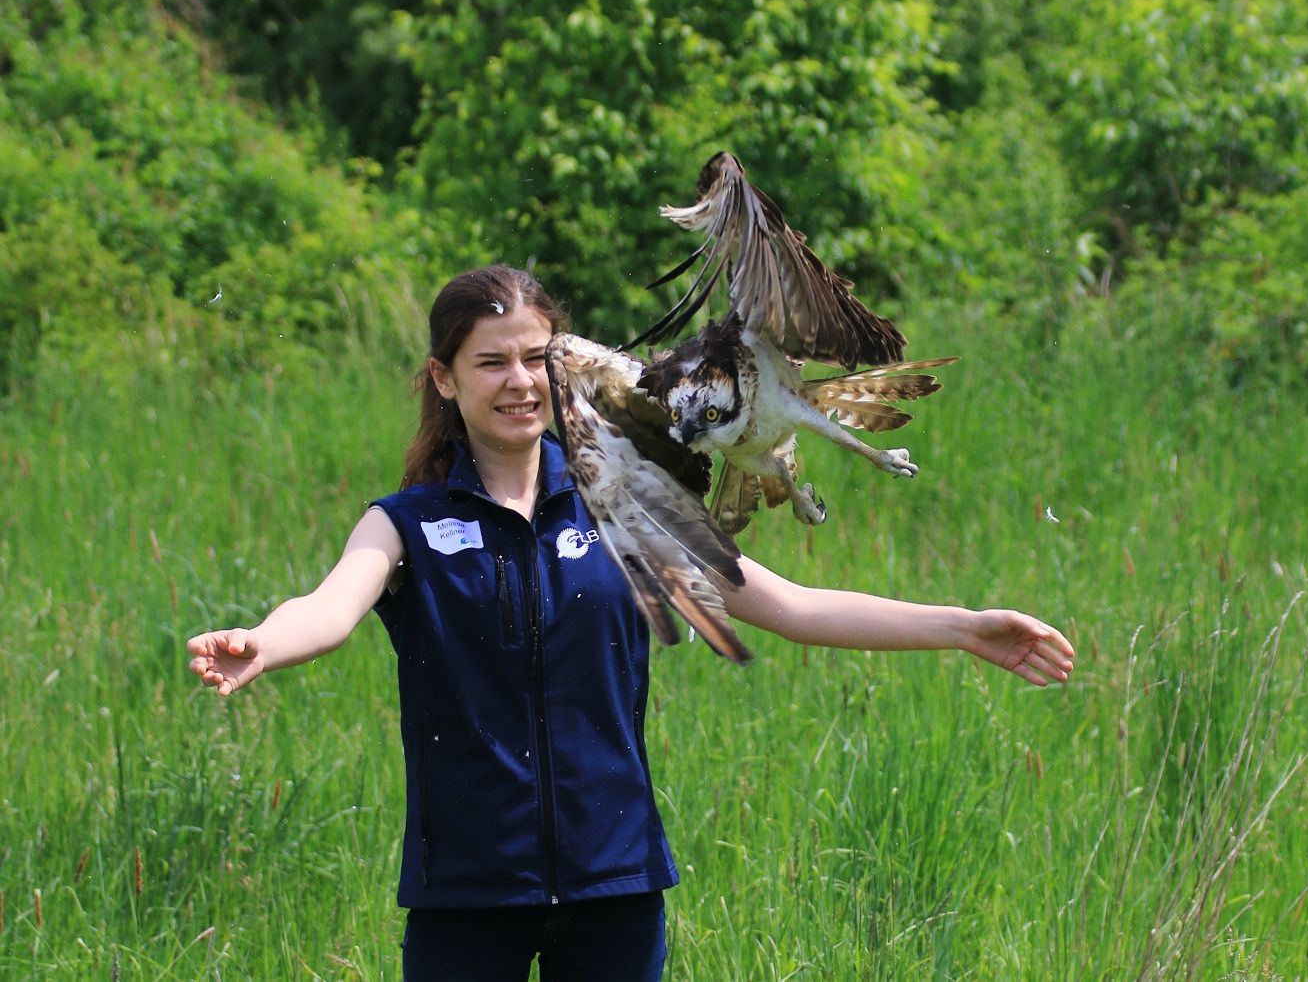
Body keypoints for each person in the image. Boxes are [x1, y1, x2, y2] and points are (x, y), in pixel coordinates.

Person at [186, 264, 1075, 981]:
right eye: (491, 362)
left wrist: (964, 626)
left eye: (535, 358)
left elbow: (792, 605)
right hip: (465, 892)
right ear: (445, 377)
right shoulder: (408, 524)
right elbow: (330, 607)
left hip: (614, 885)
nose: (519, 381)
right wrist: (265, 642)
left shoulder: (622, 504)